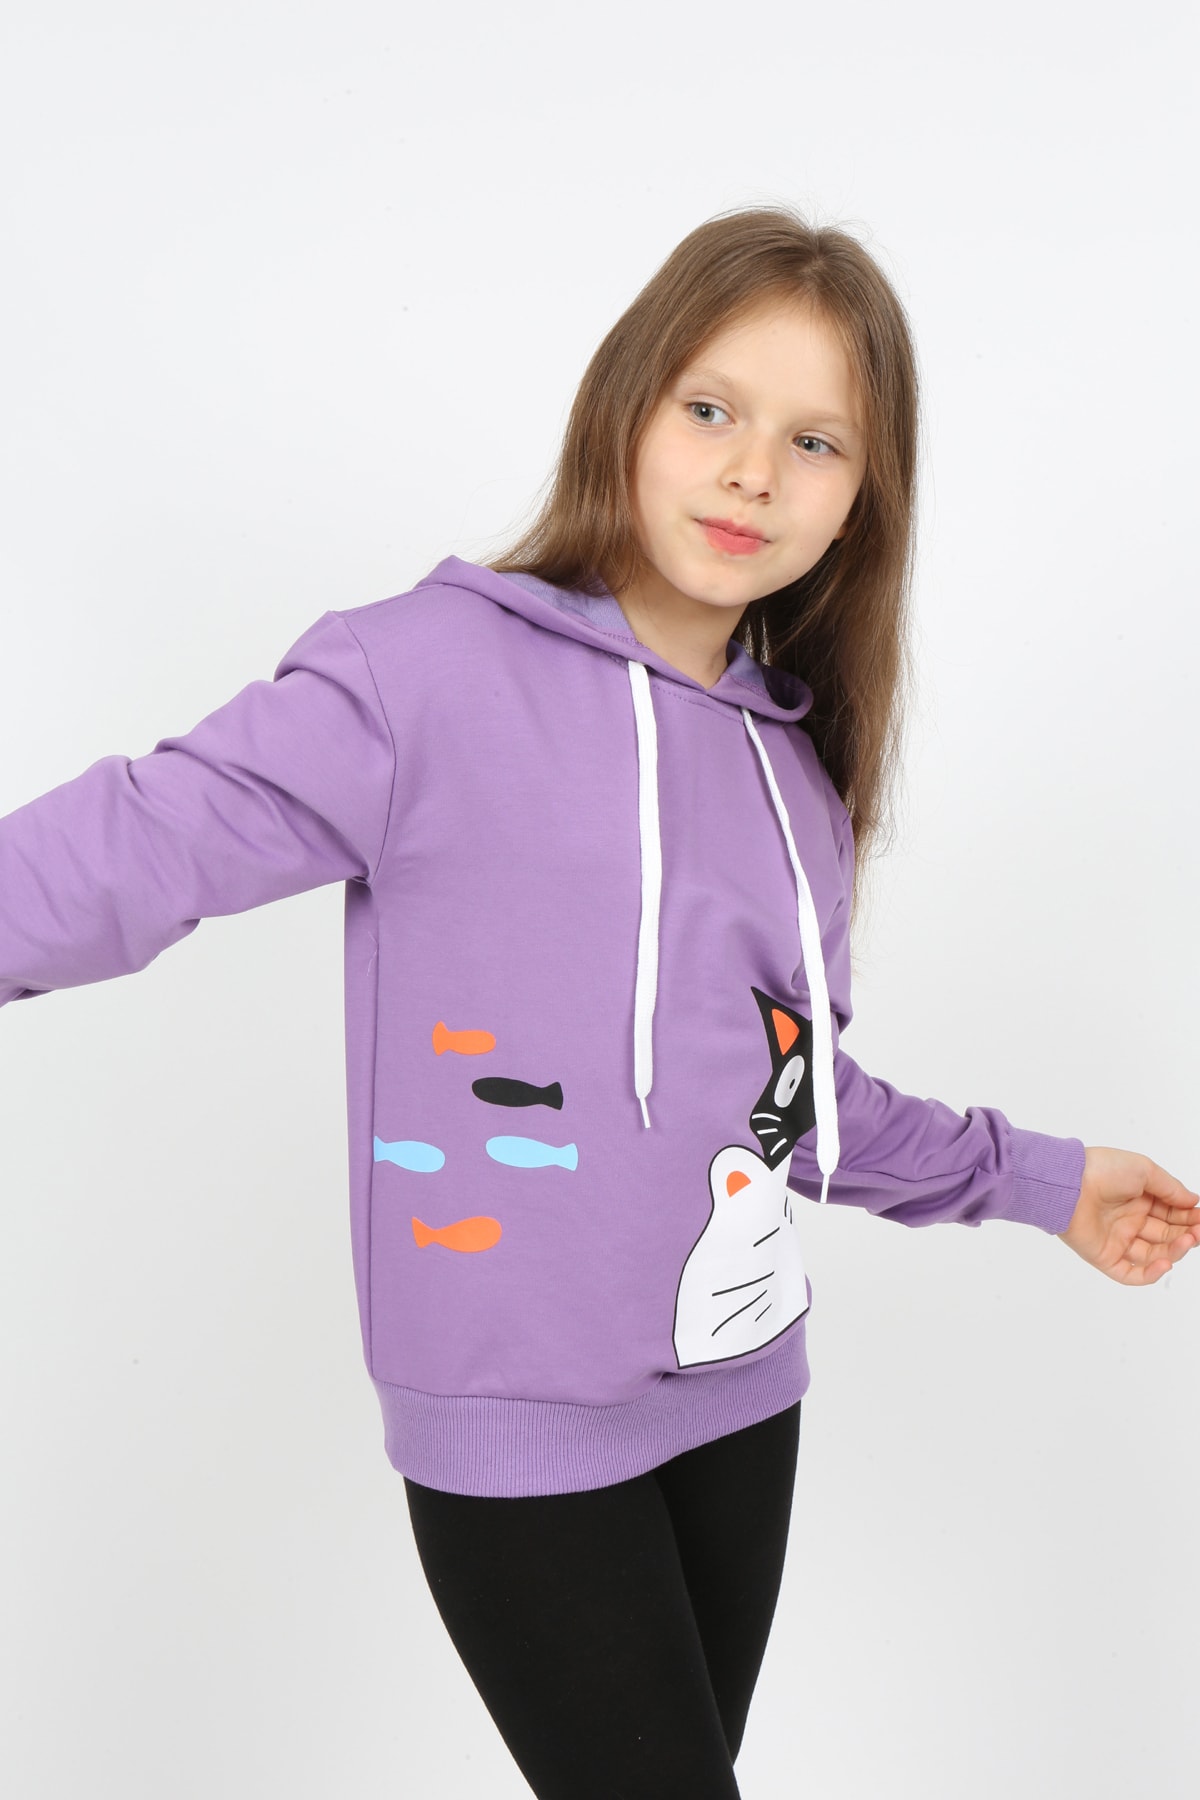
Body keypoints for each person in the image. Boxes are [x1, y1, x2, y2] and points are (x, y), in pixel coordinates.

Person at [1, 206, 1195, 1798]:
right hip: (517, 1418)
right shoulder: (419, 677)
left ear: (862, 499)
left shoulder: (794, 771)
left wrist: (1042, 1181)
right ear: (626, 406)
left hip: (743, 1389)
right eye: (711, 409)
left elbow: (787, 1105)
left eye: (816, 441)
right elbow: (133, 846)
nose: (753, 473)